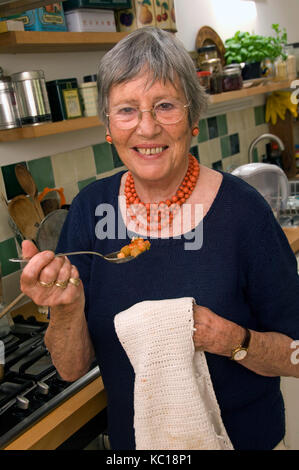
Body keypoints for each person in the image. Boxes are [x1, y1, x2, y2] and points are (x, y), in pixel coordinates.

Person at [20, 27, 299, 451]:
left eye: (165, 106)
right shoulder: (91, 211)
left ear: (193, 121)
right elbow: (71, 368)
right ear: (110, 128)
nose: (146, 128)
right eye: (127, 110)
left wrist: (231, 340)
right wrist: (66, 310)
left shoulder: (244, 213)